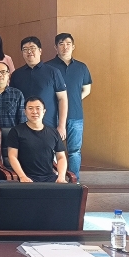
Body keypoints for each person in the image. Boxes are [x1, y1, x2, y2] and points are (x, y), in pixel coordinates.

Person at [45, 33, 92, 178]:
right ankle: (54, 179)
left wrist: (73, 100)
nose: (65, 47)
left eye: (68, 44)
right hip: (53, 116)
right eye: (61, 44)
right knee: (51, 149)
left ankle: (74, 180)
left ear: (73, 46)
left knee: (74, 151)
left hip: (75, 115)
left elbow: (87, 89)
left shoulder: (81, 67)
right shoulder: (48, 67)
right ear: (55, 47)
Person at [10, 36, 68, 138]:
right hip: (23, 127)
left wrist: (61, 126)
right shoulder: (16, 74)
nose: (29, 52)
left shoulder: (53, 72)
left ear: (40, 51)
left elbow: (62, 99)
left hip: (48, 125)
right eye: (25, 49)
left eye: (32, 48)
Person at [8, 97, 68, 183]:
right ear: (25, 112)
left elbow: (61, 157)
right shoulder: (16, 131)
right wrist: (22, 176)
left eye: (38, 108)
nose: (34, 112)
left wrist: (61, 176)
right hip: (27, 178)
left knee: (71, 189)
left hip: (49, 177)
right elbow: (12, 156)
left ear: (44, 111)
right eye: (30, 108)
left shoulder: (53, 132)